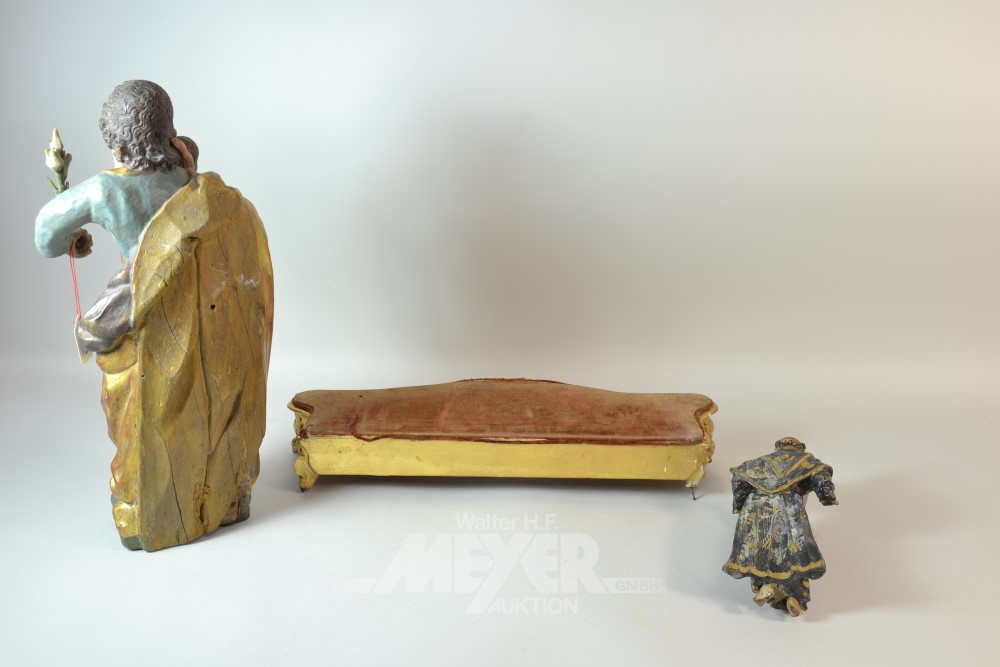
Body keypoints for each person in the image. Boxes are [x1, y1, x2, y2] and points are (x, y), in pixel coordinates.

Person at [34, 80, 274, 551]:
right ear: (168, 132)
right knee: (209, 399)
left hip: (142, 319)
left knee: (141, 414)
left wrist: (72, 229)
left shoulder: (106, 189)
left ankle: (141, 513)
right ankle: (226, 498)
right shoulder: (195, 180)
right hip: (207, 318)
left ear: (119, 146)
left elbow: (46, 236)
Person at [722, 437, 838, 615]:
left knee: (759, 550)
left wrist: (739, 504)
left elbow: (738, 478)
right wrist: (828, 499)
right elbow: (822, 480)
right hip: (787, 508)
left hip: (756, 509)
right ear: (800, 448)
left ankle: (765, 586)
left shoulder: (759, 462)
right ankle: (794, 596)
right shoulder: (805, 460)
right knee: (792, 553)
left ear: (776, 448)